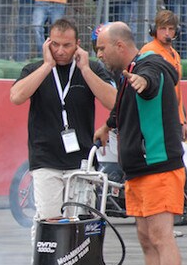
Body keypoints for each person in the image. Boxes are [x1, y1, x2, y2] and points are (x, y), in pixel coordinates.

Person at [93, 22, 185, 265]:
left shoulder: (149, 65)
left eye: (102, 49)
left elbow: (151, 81)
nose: (99, 55)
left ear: (119, 46)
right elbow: (123, 107)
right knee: (146, 239)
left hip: (159, 166)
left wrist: (142, 82)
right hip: (137, 170)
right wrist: (107, 126)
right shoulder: (128, 73)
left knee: (161, 237)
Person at [10, 18, 116, 226]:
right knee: (48, 222)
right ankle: (42, 249)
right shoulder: (34, 69)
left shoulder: (91, 68)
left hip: (81, 161)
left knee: (79, 224)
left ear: (77, 44)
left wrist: (85, 69)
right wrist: (47, 65)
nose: (60, 51)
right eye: (55, 44)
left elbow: (113, 101)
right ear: (47, 43)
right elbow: (16, 97)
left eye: (67, 45)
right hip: (46, 159)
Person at [141, 9, 187, 226]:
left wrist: (183, 120)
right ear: (154, 30)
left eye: (171, 29)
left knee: (176, 165)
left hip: (174, 120)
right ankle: (169, 209)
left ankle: (178, 209)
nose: (167, 33)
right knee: (167, 167)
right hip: (158, 120)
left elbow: (178, 93)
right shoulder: (149, 52)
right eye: (163, 28)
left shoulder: (174, 55)